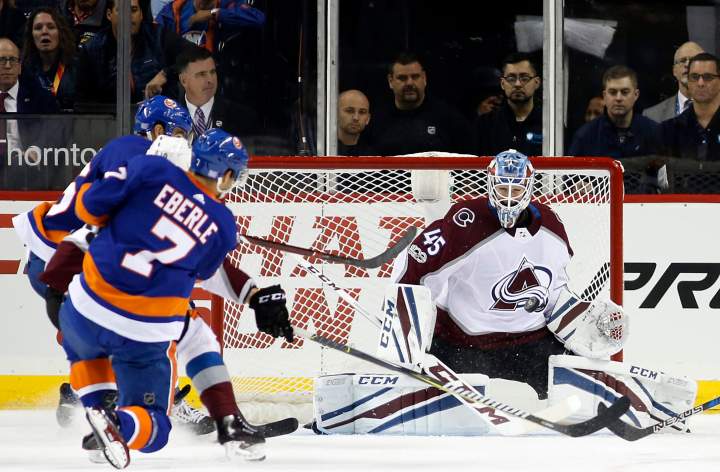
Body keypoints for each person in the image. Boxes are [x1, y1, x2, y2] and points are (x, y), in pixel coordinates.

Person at [56, 128, 265, 466]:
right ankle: (120, 424)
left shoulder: (147, 169)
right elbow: (203, 272)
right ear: (226, 175)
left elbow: (87, 208)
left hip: (81, 309)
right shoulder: (223, 224)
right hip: (142, 330)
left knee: (89, 355)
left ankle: (100, 413)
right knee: (157, 426)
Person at [391, 149, 628, 400]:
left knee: (582, 398)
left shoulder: (552, 226)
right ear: (490, 185)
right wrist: (405, 340)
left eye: (515, 190)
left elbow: (552, 292)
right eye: (503, 189)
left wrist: (578, 319)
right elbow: (414, 269)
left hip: (529, 343)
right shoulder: (465, 222)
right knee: (444, 405)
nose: (508, 198)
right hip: (464, 344)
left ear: (529, 188)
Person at [368, 51, 472, 156]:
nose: (409, 83)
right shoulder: (377, 121)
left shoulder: (449, 119)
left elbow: (469, 160)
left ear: (424, 78)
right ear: (390, 81)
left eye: (415, 77)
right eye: (402, 78)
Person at [0, 38, 60, 189]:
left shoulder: (40, 98)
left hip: (26, 172)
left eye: (12, 60)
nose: (7, 66)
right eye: (2, 60)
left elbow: (55, 131)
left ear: (20, 67)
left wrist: (36, 150)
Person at [569, 65, 662, 160]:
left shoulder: (653, 133)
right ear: (604, 96)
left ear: (636, 95)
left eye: (625, 92)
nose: (618, 98)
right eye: (613, 92)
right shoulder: (585, 137)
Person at [473, 52, 543, 157]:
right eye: (511, 78)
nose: (517, 84)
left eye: (524, 78)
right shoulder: (485, 124)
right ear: (502, 83)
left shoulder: (549, 124)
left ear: (537, 83)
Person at [175, 46, 255, 137]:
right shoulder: (169, 116)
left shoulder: (242, 117)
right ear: (184, 80)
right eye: (202, 74)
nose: (210, 80)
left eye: (212, 72)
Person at [661, 52, 720, 161]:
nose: (700, 83)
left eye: (708, 77)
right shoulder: (669, 130)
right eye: (694, 77)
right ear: (687, 81)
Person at [21, 7, 79, 112]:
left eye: (51, 27)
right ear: (31, 35)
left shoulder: (78, 68)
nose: (44, 32)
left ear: (61, 33)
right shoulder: (24, 70)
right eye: (38, 28)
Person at [155, 0, 265, 54]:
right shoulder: (172, 11)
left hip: (219, 75)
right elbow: (154, 44)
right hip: (182, 74)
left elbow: (259, 19)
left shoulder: (228, 5)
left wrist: (213, 13)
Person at [643, 42, 704, 123]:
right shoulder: (651, 116)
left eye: (693, 60)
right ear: (674, 71)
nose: (687, 64)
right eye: (682, 60)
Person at [337, 89, 373, 156]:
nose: (356, 118)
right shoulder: (322, 150)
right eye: (349, 111)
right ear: (335, 113)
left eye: (362, 112)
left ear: (368, 119)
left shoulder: (372, 156)